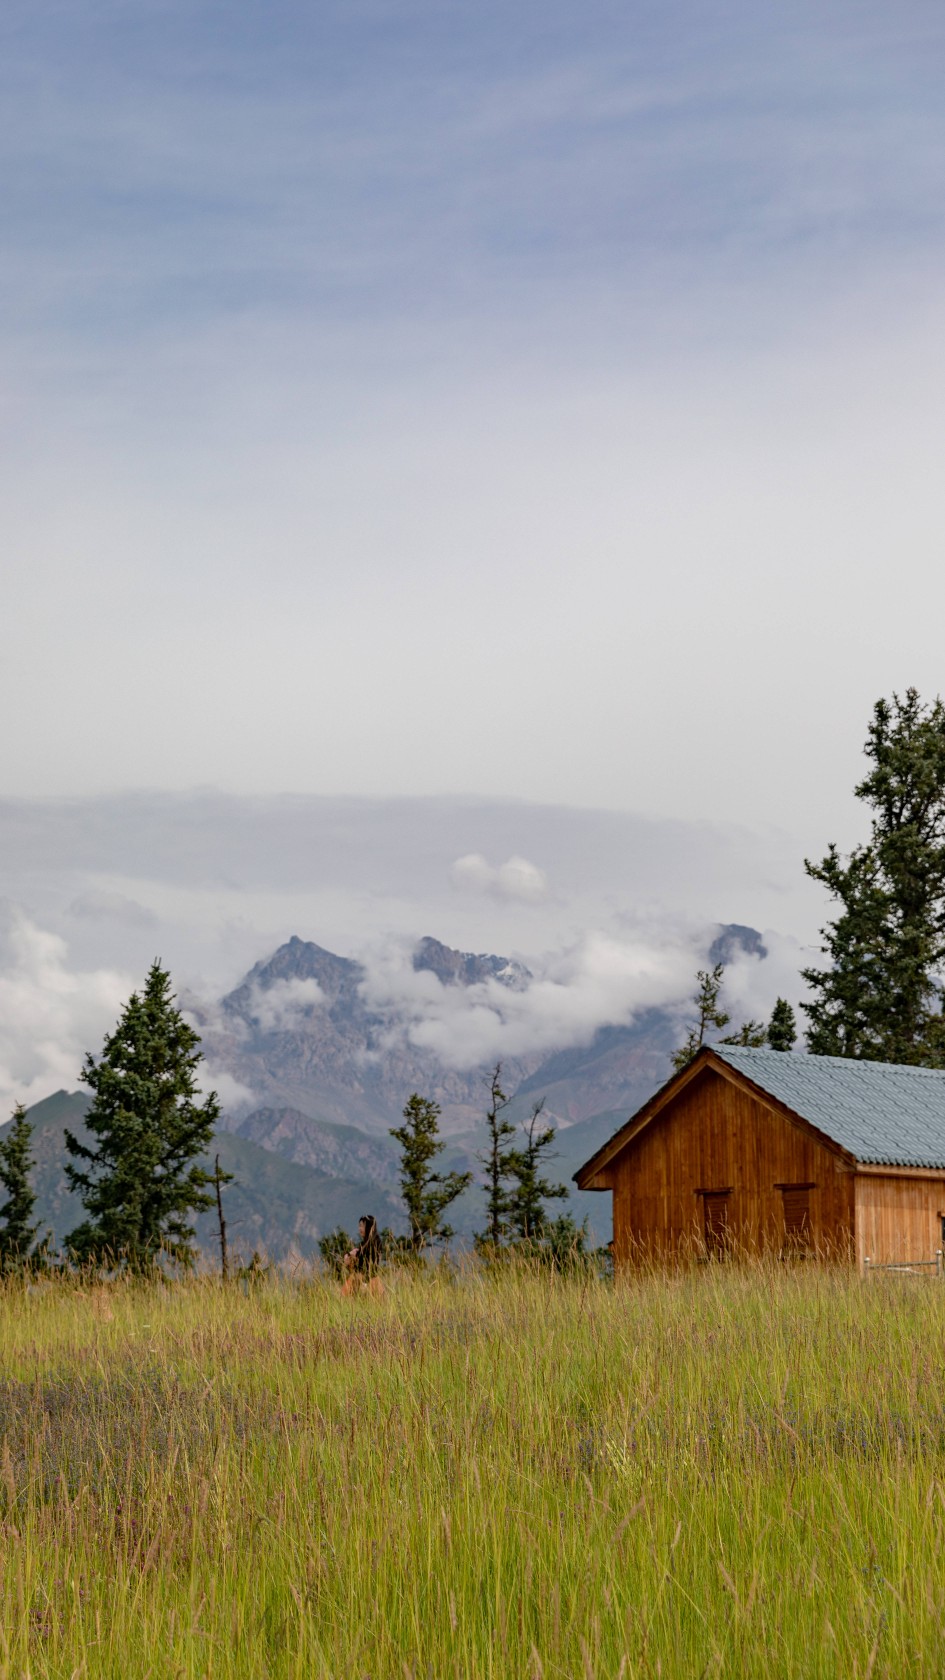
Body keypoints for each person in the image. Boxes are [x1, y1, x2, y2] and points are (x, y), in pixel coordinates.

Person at [341, 1214, 384, 1297]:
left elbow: (362, 1264)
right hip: (371, 1279)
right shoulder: (370, 1243)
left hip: (363, 1280)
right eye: (359, 1226)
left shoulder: (371, 1244)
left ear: (368, 1227)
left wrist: (351, 1255)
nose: (360, 1229)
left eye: (362, 1226)